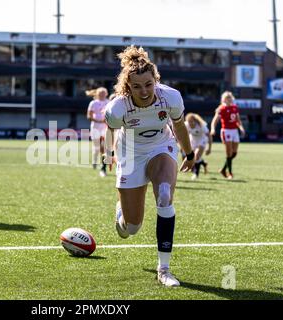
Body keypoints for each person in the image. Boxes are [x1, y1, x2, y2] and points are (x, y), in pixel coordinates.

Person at [104, 46, 195, 287]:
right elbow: (110, 130)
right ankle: (121, 214)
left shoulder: (171, 97)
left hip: (161, 146)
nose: (144, 91)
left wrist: (189, 153)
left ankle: (164, 269)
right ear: (127, 87)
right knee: (131, 229)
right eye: (137, 86)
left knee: (164, 196)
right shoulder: (117, 107)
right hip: (130, 153)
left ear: (155, 81)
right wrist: (109, 154)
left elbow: (180, 126)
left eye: (148, 84)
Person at [210, 91, 245, 179]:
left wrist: (241, 128)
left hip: (234, 131)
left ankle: (223, 169)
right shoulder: (221, 108)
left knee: (234, 153)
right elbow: (215, 120)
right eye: (227, 98)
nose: (228, 99)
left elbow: (238, 120)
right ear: (223, 99)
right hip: (226, 131)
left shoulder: (235, 107)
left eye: (230, 98)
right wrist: (213, 129)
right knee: (229, 153)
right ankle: (230, 173)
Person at [86, 87, 109, 177]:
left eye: (104, 93)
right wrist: (99, 121)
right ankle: (95, 160)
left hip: (105, 128)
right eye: (100, 93)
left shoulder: (108, 103)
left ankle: (103, 167)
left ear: (106, 94)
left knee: (104, 147)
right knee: (97, 148)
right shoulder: (93, 103)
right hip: (95, 128)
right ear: (97, 94)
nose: (102, 95)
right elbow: (89, 116)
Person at [185, 113, 212, 180]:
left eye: (192, 121)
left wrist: (209, 148)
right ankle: (203, 163)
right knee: (193, 156)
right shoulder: (186, 124)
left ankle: (196, 174)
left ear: (195, 121)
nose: (190, 123)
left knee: (196, 156)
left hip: (202, 139)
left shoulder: (201, 125)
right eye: (189, 121)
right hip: (193, 140)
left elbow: (209, 136)